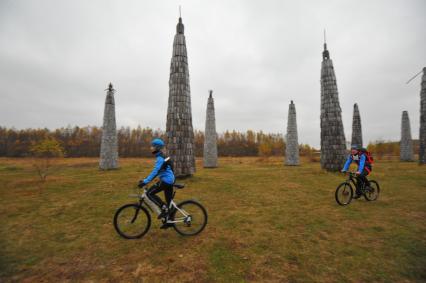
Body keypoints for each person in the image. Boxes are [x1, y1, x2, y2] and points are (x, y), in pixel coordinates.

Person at [138, 138, 175, 228]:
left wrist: (145, 181)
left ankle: (163, 207)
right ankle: (169, 222)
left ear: (157, 147)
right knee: (169, 202)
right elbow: (158, 171)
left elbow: (155, 171)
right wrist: (146, 179)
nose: (151, 148)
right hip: (170, 180)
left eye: (152, 146)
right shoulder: (162, 156)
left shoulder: (159, 158)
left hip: (166, 181)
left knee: (149, 193)